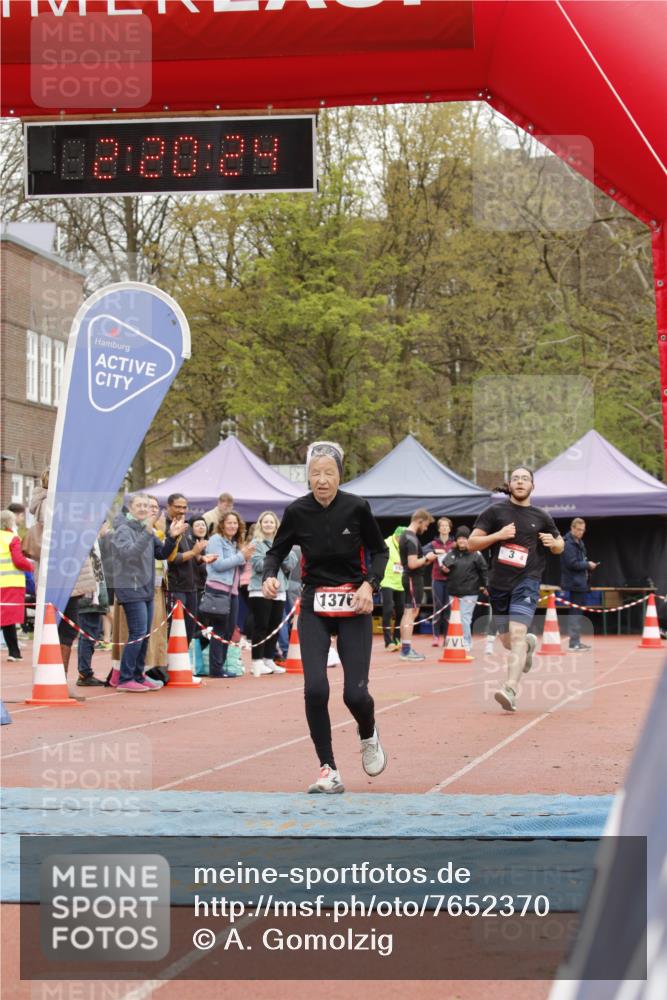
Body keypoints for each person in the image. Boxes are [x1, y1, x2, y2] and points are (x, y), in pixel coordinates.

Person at [262, 441, 389, 795]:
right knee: (315, 689)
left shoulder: (357, 507)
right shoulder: (297, 511)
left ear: (339, 476)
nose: (321, 480)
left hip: (355, 605)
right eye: (315, 473)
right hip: (314, 604)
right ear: (308, 477)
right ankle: (328, 769)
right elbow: (276, 552)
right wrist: (269, 575)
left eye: (328, 473)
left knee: (355, 695)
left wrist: (369, 585)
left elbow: (380, 551)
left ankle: (368, 733)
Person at [469, 466, 564, 712]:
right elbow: (471, 543)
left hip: (527, 581)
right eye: (516, 478)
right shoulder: (494, 512)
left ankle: (510, 689)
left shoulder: (541, 516)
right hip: (499, 584)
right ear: (509, 485)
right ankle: (529, 647)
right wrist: (498, 535)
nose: (520, 482)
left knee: (518, 634)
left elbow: (560, 545)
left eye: (525, 479)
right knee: (508, 641)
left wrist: (554, 543)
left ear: (532, 485)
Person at [111, 494, 186, 692]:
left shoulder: (147, 530)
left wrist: (172, 537)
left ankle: (138, 674)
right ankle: (125, 678)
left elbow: (161, 554)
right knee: (137, 633)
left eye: (147, 505)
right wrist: (147, 531)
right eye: (140, 505)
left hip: (147, 588)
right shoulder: (123, 529)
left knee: (145, 634)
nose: (144, 509)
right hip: (131, 587)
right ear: (130, 508)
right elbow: (129, 554)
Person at [204, 510, 255, 678]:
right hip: (218, 589)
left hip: (232, 591)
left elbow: (238, 567)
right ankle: (216, 669)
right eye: (229, 523)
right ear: (222, 524)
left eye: (235, 523)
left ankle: (221, 666)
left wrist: (245, 557)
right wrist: (241, 556)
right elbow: (218, 565)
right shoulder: (216, 540)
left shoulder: (234, 543)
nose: (232, 526)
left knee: (229, 630)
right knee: (220, 629)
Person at [248, 510, 297, 676]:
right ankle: (256, 661)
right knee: (261, 626)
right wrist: (276, 559)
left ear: (277, 525)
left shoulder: (282, 542)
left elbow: (291, 563)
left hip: (280, 589)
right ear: (260, 524)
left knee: (275, 627)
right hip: (259, 589)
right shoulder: (256, 543)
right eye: (265, 522)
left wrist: (278, 558)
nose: (268, 524)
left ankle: (269, 658)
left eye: (271, 522)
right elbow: (258, 565)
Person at [165, 493, 207, 645]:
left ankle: (183, 659)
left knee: (189, 631)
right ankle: (167, 659)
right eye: (178, 507)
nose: (182, 510)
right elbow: (170, 557)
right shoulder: (165, 527)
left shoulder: (187, 527)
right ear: (168, 507)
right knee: (175, 630)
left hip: (192, 586)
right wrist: (194, 553)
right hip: (175, 586)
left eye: (184, 507)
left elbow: (191, 553)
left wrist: (201, 558)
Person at [441, 526, 488, 657]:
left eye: (464, 538)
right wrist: (443, 570)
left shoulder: (476, 554)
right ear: (456, 540)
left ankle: (466, 642)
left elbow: (484, 570)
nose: (462, 541)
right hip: (453, 592)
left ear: (469, 540)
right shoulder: (451, 553)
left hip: (470, 592)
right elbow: (444, 568)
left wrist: (486, 586)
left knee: (464, 618)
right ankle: (455, 642)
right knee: (454, 618)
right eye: (459, 538)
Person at [398, 509, 437, 662]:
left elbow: (410, 563)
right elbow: (412, 564)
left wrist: (425, 560)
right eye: (426, 525)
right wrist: (427, 557)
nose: (426, 529)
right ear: (419, 521)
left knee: (408, 612)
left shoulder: (405, 535)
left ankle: (405, 648)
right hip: (413, 579)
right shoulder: (411, 538)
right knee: (411, 613)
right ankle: (406, 651)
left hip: (410, 578)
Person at [76, 534, 109, 687]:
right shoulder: (85, 542)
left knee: (90, 635)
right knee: (87, 635)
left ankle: (85, 672)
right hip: (88, 595)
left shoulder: (93, 543)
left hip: (92, 595)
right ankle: (84, 673)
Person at [0, 509, 34, 660]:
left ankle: (14, 652)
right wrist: (31, 566)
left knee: (5, 619)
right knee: (9, 619)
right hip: (11, 583)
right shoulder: (12, 538)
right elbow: (18, 560)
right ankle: (14, 652)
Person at [561, 517, 598, 651]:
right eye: (578, 529)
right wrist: (588, 565)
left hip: (581, 583)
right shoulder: (568, 543)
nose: (581, 532)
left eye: (583, 530)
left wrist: (587, 565)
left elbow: (579, 561)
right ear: (572, 528)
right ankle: (574, 644)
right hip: (574, 583)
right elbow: (572, 563)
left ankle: (576, 642)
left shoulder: (579, 542)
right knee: (575, 613)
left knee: (577, 613)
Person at [379, 525, 407, 651]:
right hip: (387, 581)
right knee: (388, 610)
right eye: (403, 538)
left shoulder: (405, 546)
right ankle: (388, 642)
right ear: (397, 536)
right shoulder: (386, 543)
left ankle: (396, 638)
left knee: (401, 611)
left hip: (399, 582)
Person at [430, 516, 454, 646]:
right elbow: (422, 551)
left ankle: (447, 637)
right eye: (442, 526)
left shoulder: (454, 544)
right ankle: (436, 637)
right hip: (437, 579)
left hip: (450, 580)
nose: (444, 528)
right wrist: (434, 552)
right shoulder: (433, 543)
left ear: (450, 529)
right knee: (438, 607)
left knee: (449, 609)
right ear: (439, 529)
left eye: (446, 526)